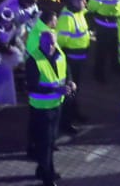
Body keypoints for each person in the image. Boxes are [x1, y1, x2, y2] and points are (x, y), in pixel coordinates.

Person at [25, 25, 71, 186]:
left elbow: (67, 71)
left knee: (51, 141)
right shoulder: (34, 60)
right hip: (41, 108)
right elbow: (32, 86)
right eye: (47, 43)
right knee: (44, 144)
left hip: (56, 105)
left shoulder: (59, 55)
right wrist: (55, 88)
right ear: (40, 43)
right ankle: (47, 177)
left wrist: (71, 83)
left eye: (52, 43)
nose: (50, 46)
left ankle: (43, 169)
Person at [54, 0, 92, 134]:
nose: (85, 3)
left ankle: (74, 114)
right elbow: (61, 42)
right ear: (74, 2)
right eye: (82, 0)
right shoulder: (67, 18)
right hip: (71, 60)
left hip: (79, 59)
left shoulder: (79, 13)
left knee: (76, 90)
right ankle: (66, 122)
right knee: (70, 92)